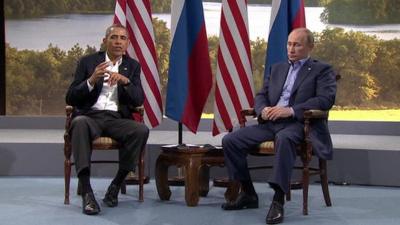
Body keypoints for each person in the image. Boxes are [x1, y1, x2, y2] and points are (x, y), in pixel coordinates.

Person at [221, 28, 336, 224]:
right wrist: (263, 109)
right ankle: (248, 193)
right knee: (231, 140)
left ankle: (278, 200)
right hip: (271, 122)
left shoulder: (322, 70)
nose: (291, 49)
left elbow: (325, 100)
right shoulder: (277, 68)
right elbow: (261, 95)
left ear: (310, 47)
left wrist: (291, 110)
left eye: (297, 44)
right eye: (289, 44)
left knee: (284, 138)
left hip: (299, 124)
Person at [66, 24, 149, 215]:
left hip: (116, 119)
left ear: (127, 43)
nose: (118, 41)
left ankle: (115, 185)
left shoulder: (133, 66)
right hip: (90, 116)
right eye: (113, 37)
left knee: (140, 130)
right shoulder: (88, 62)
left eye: (122, 38)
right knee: (78, 123)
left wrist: (125, 81)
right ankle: (87, 192)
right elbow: (70, 97)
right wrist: (91, 80)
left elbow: (138, 99)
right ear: (105, 41)